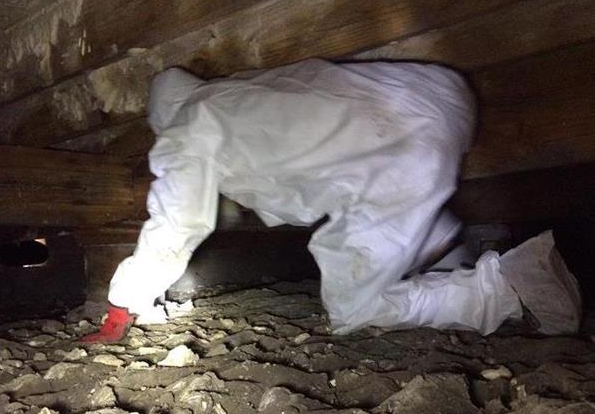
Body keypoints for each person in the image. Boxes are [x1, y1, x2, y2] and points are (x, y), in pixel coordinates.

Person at [81, 59, 582, 343]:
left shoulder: (190, 125)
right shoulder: (245, 99)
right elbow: (305, 184)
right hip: (435, 100)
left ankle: (507, 288)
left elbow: (175, 222)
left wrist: (126, 298)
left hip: (387, 157)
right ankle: (449, 247)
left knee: (352, 309)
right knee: (364, 215)